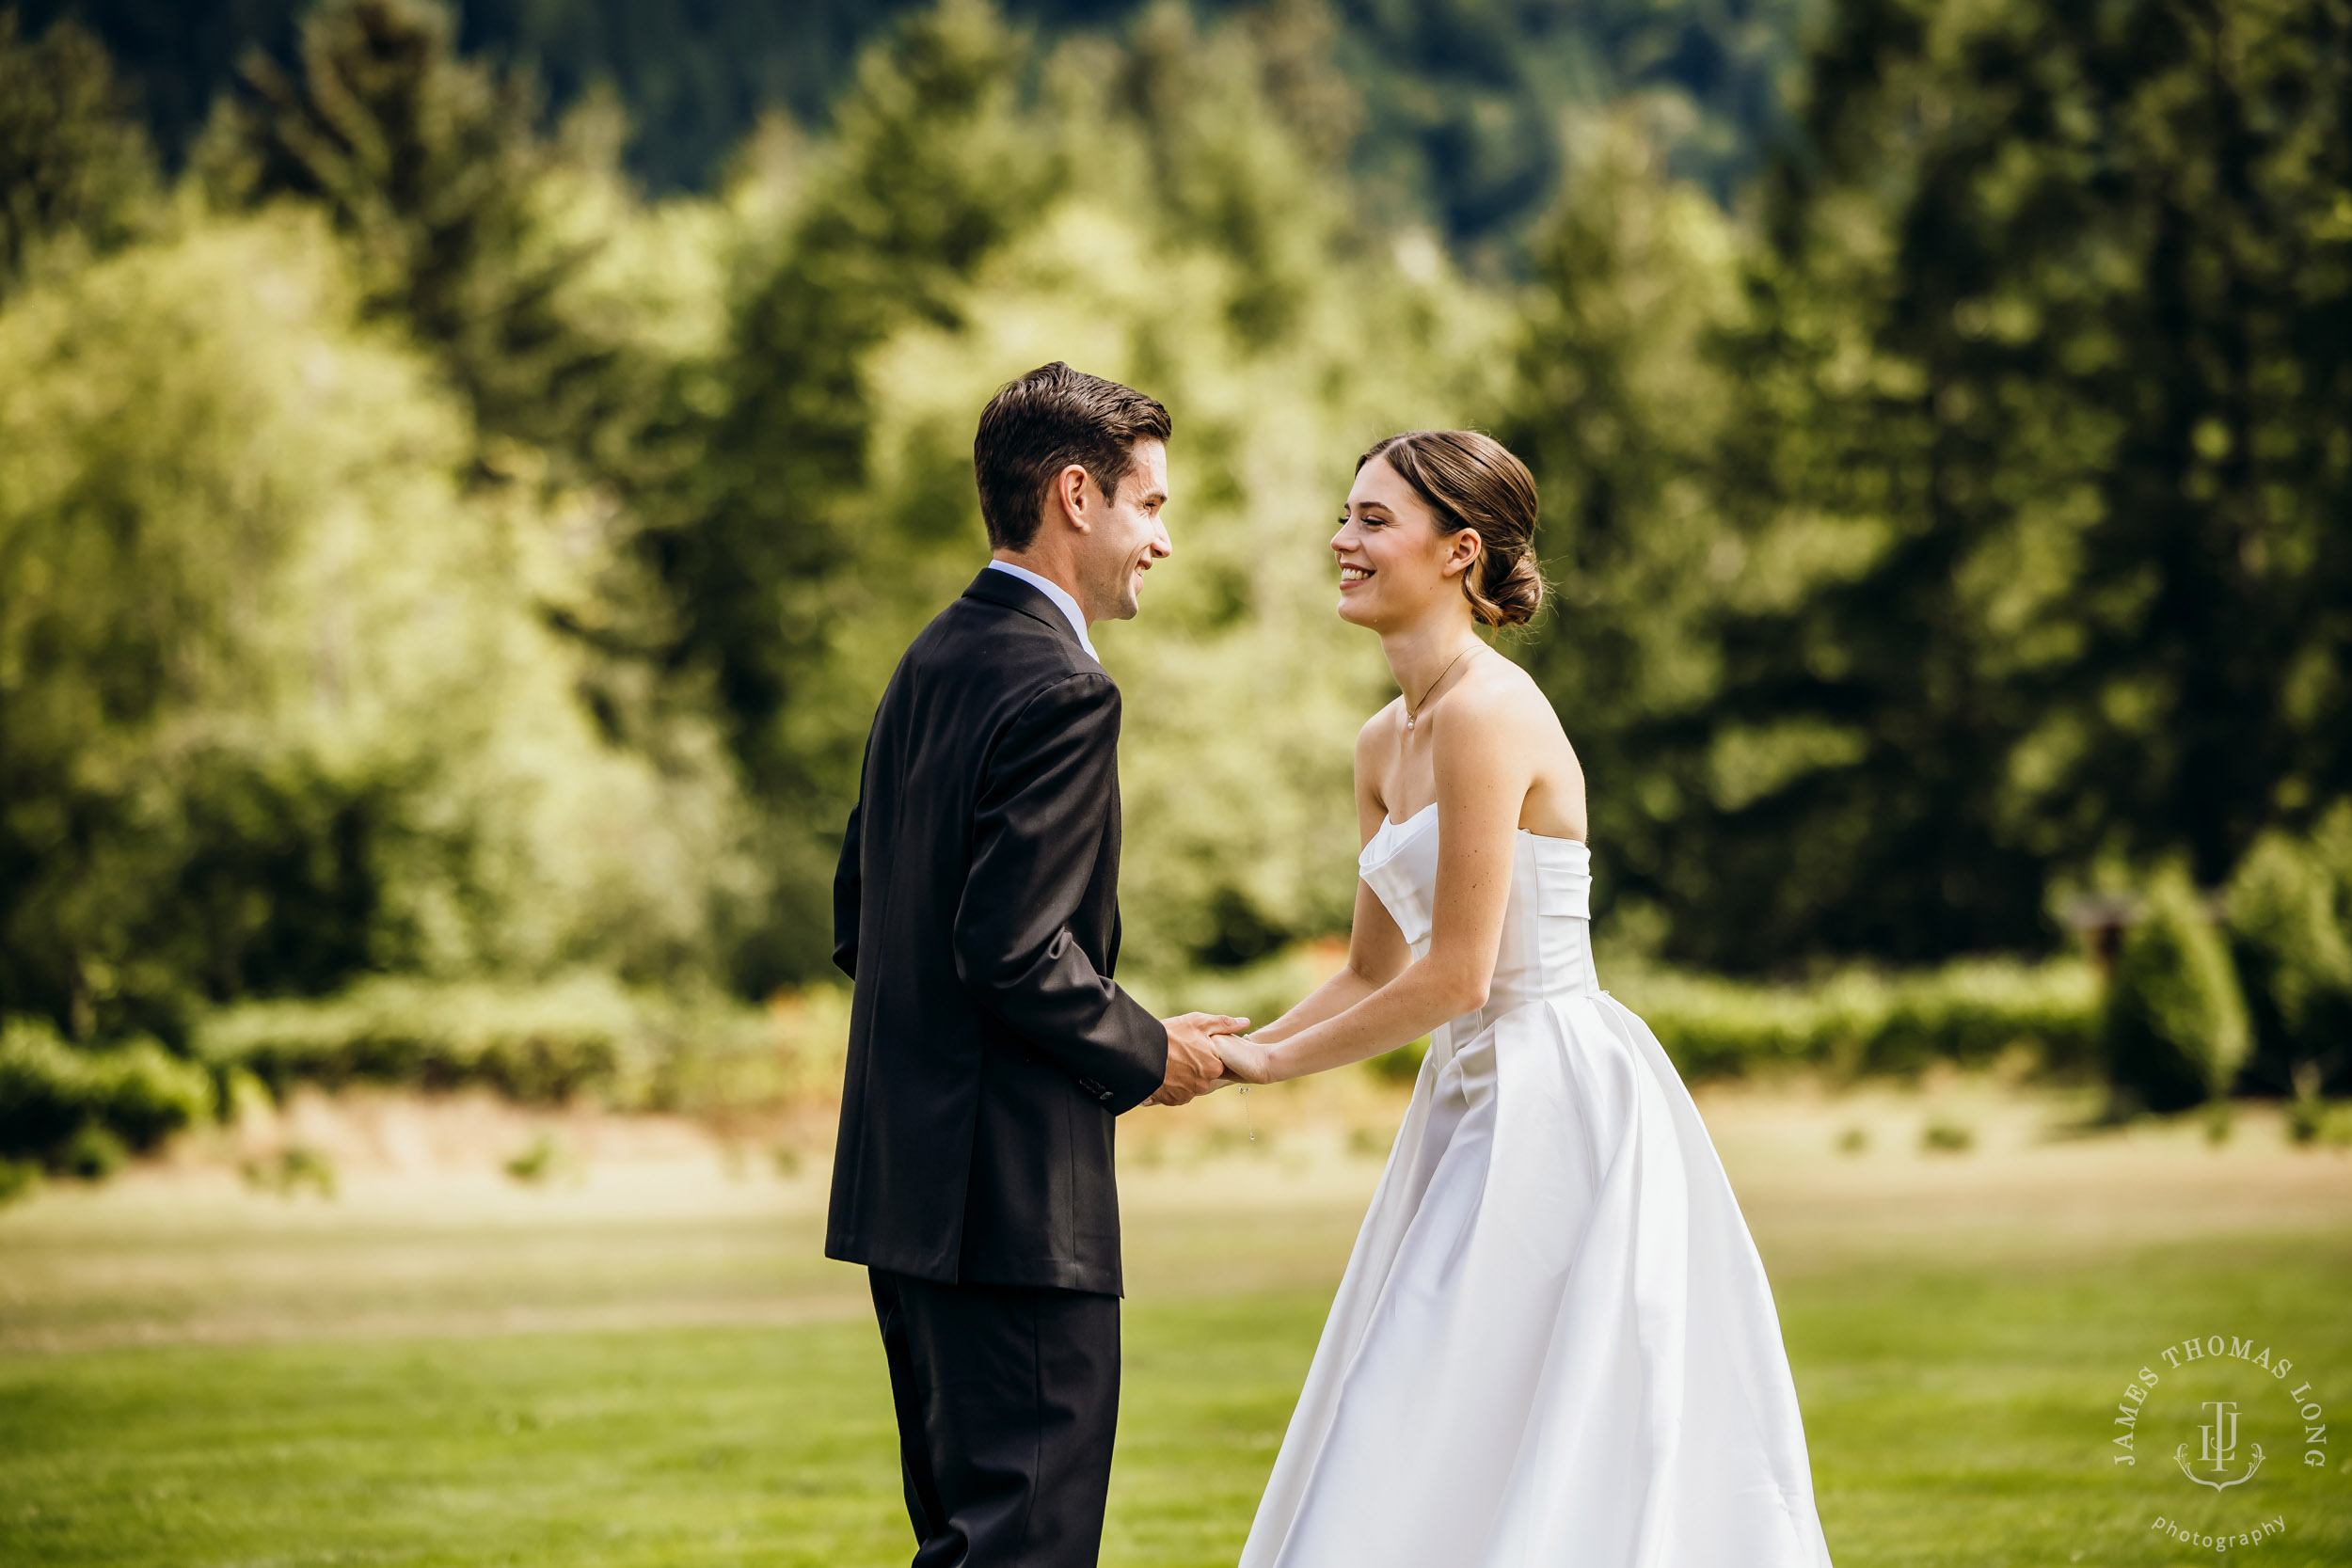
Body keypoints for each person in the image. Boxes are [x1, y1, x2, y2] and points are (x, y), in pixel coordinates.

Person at [1211, 431, 1836, 1567]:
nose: (1340, 542)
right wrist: (1230, 1050)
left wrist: (1271, 1070)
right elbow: (1371, 968)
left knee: (1448, 1388)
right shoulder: (1379, 739)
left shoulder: (1488, 714)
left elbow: (1459, 970)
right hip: (1466, 1101)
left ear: (1457, 551)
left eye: (1370, 520)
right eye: (1344, 517)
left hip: (1556, 1096)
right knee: (1428, 1399)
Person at [826, 361, 1248, 1567]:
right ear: (1076, 495)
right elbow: (1010, 947)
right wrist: (1144, 1047)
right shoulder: (1063, 688)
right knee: (1026, 1550)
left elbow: (865, 916)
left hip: (905, 1202)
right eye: (1150, 505)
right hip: (1012, 1211)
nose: (1161, 539)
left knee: (969, 1543)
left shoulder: (929, 661)